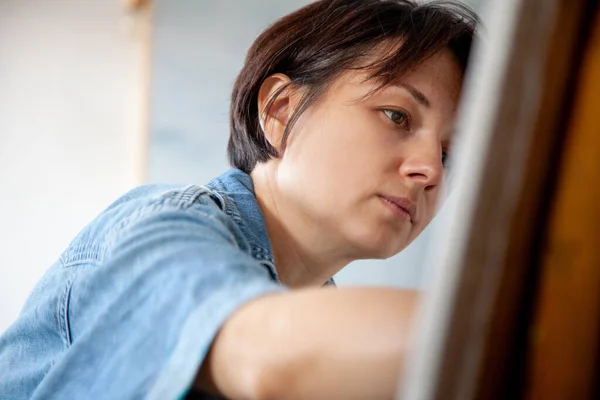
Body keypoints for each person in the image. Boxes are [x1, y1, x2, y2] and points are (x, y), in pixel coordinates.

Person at [0, 0, 478, 399]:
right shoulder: (167, 227)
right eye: (397, 115)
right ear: (281, 110)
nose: (430, 170)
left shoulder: (321, 314)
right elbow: (262, 358)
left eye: (450, 153)